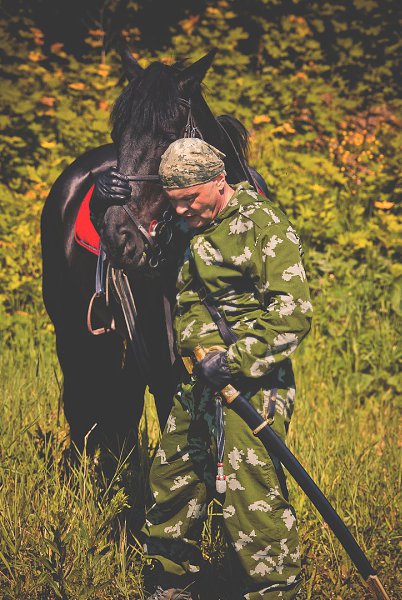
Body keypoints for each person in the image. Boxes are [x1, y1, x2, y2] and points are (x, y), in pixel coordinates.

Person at [91, 139, 312, 599]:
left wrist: (231, 362)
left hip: (251, 382)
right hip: (197, 380)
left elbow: (293, 315)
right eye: (174, 201)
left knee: (250, 491)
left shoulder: (262, 224)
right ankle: (173, 579)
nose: (181, 209)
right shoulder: (183, 226)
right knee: (173, 476)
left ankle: (273, 589)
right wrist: (101, 205)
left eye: (190, 198)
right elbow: (139, 261)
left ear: (219, 181)